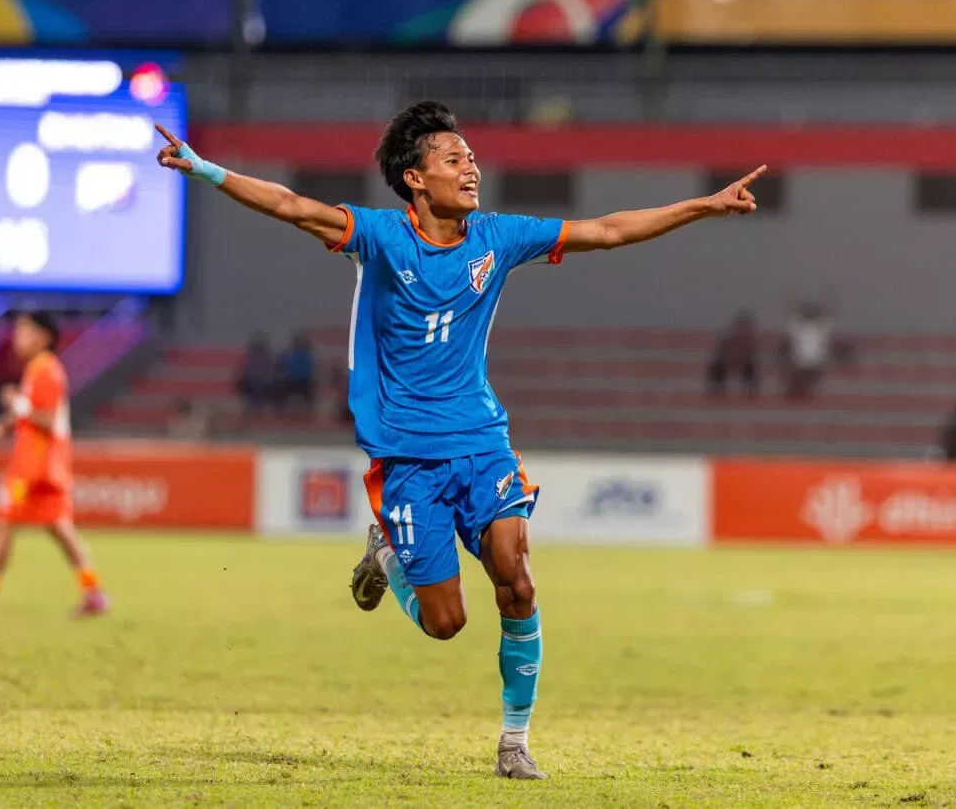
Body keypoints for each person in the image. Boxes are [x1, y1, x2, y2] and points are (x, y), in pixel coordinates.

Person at [156, 103, 764, 779]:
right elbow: (291, 205)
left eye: (471, 157)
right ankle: (387, 556)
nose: (471, 168)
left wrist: (703, 206)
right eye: (453, 159)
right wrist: (205, 169)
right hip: (409, 455)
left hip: (481, 440)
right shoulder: (381, 237)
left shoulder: (499, 237)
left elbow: (608, 229)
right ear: (416, 179)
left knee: (517, 581)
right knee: (446, 622)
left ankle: (514, 742)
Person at [0, 312, 109, 616]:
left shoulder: (46, 371)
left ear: (43, 337)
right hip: (49, 465)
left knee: (5, 524)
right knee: (60, 528)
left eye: (24, 331)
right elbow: (20, 418)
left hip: (33, 467)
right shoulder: (40, 370)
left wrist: (16, 402)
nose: (17, 338)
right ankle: (93, 592)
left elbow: (45, 418)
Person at [706, 311, 759, 398]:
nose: (741, 329)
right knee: (716, 365)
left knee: (751, 366)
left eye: (743, 326)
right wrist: (728, 360)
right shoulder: (726, 339)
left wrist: (740, 360)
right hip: (726, 362)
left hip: (742, 363)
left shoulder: (749, 341)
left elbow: (750, 355)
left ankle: (751, 389)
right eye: (739, 326)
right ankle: (716, 388)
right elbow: (719, 353)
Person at [276, 332, 316, 413]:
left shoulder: (290, 354)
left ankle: (280, 408)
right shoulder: (308, 355)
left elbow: (280, 366)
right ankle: (280, 408)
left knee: (280, 387)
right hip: (299, 382)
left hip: (296, 382)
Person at [238, 333, 276, 414]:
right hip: (267, 388)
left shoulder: (249, 358)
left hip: (255, 388)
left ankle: (253, 405)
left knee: (242, 381)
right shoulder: (270, 357)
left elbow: (243, 373)